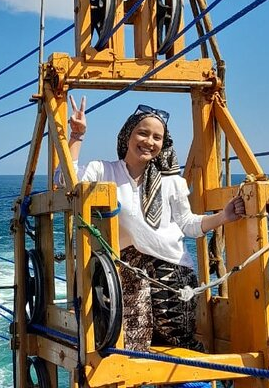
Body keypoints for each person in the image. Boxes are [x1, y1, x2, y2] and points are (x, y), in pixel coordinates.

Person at [66, 95, 245, 352]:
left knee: (178, 346)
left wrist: (224, 217)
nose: (149, 141)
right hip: (126, 268)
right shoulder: (103, 171)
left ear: (163, 144)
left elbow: (188, 225)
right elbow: (67, 183)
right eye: (142, 133)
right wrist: (77, 135)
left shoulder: (173, 182)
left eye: (157, 137)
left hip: (173, 270)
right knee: (129, 348)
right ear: (128, 135)